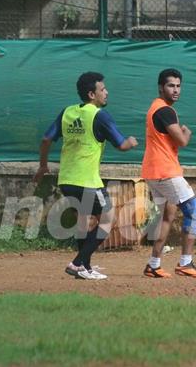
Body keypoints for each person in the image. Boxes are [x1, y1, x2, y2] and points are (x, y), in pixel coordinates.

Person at [34, 72, 138, 280]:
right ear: (92, 94)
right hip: (87, 181)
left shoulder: (67, 112)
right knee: (108, 219)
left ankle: (85, 267)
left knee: (84, 220)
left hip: (66, 180)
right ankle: (77, 263)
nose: (106, 92)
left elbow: (46, 139)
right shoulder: (99, 115)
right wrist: (131, 142)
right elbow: (121, 145)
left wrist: (43, 166)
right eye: (102, 89)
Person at [141, 69, 196, 278]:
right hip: (165, 171)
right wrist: (187, 131)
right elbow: (182, 141)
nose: (176, 90)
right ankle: (185, 263)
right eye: (171, 85)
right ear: (161, 87)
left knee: (168, 215)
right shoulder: (165, 111)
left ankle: (153, 264)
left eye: (178, 86)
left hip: (152, 171)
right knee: (194, 211)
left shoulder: (155, 107)